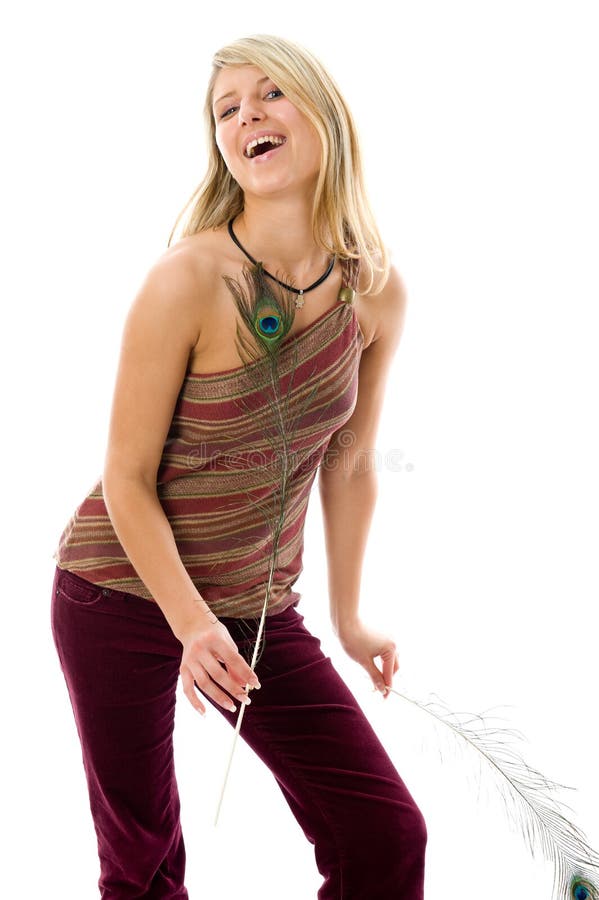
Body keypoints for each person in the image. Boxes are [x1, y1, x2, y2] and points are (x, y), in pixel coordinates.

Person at [50, 33, 427, 899]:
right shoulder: (187, 279)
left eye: (270, 95)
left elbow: (352, 459)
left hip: (254, 609)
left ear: (323, 114)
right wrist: (189, 623)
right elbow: (127, 479)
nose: (247, 115)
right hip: (116, 593)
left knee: (384, 835)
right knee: (143, 862)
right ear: (221, 144)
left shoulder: (374, 290)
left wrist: (349, 618)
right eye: (227, 108)